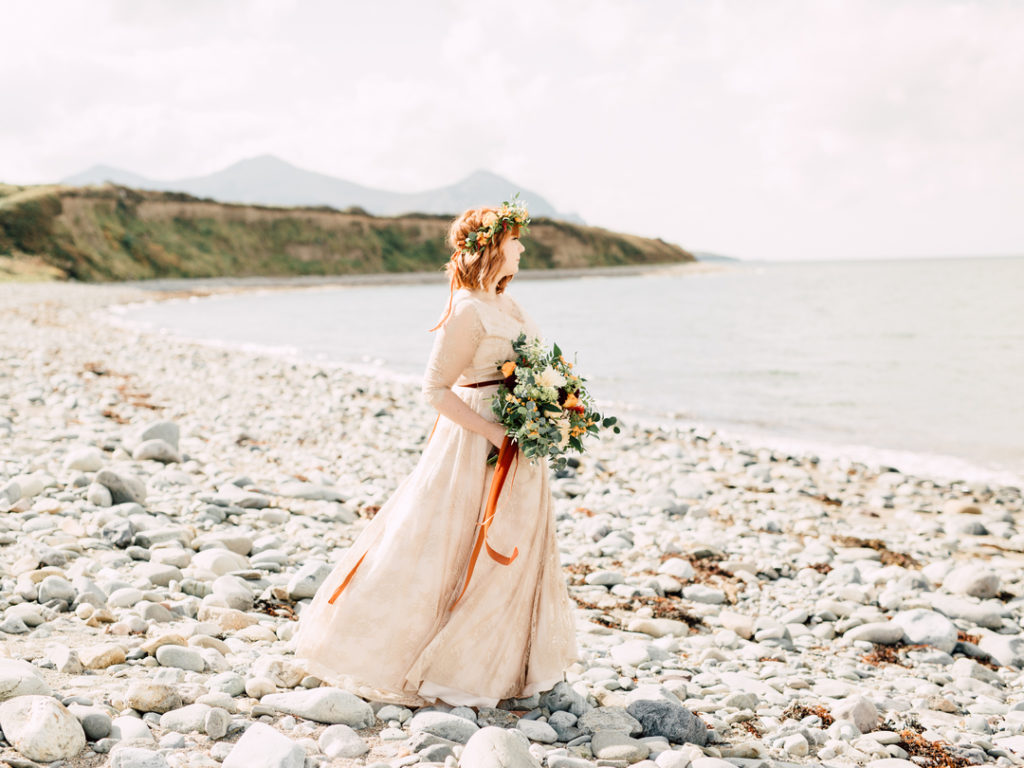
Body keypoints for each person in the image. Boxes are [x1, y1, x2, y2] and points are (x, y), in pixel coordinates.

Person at [293, 199, 579, 708]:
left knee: (517, 543)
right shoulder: (467, 309)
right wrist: (493, 435)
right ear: (493, 247)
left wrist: (554, 403)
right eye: (515, 240)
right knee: (450, 543)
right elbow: (435, 389)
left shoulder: (508, 305)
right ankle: (439, 664)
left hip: (521, 440)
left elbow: (530, 363)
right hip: (478, 442)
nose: (522, 248)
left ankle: (507, 667)